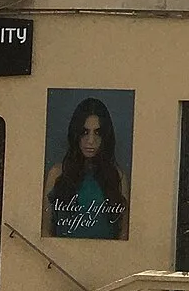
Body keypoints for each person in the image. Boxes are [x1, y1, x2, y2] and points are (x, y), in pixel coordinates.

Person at [44, 96, 129, 239]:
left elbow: (124, 233)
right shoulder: (57, 174)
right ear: (75, 134)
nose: (90, 141)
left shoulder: (118, 177)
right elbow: (45, 231)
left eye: (97, 133)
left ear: (105, 136)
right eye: (84, 132)